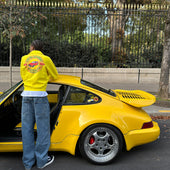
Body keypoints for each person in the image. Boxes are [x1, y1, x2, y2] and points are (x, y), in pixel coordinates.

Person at [20, 40, 58, 170]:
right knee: (42, 129)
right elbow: (55, 75)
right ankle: (41, 161)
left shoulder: (24, 59)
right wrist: (44, 77)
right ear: (41, 49)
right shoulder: (45, 59)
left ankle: (28, 163)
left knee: (26, 129)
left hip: (26, 96)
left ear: (31, 47)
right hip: (40, 96)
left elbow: (23, 76)